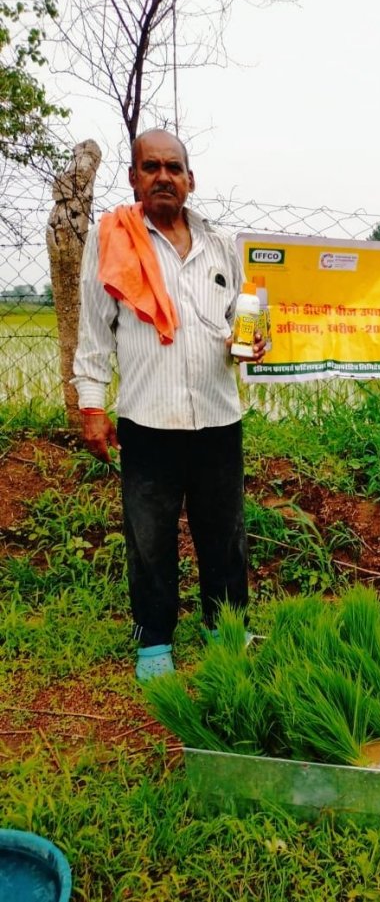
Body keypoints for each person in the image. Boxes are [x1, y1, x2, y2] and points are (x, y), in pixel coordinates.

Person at [72, 129, 264, 681]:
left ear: (190, 180)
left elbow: (236, 323)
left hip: (218, 418)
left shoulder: (220, 245)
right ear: (134, 178)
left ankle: (226, 628)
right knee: (149, 539)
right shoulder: (113, 240)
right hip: (148, 420)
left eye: (173, 168)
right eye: (151, 167)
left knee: (224, 536)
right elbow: (95, 332)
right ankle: (154, 642)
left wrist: (250, 343)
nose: (163, 177)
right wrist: (92, 407)